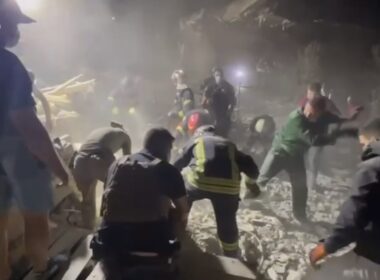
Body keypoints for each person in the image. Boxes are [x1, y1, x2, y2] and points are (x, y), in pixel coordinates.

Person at [0, 1, 70, 279]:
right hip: (15, 150)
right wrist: (59, 167)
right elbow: (27, 123)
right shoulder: (8, 64)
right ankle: (42, 266)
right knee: (35, 212)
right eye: (13, 24)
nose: (16, 31)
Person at [91, 128, 188, 280]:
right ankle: (172, 260)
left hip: (110, 241)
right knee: (177, 214)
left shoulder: (116, 164)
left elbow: (106, 202)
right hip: (153, 242)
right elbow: (184, 209)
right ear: (166, 148)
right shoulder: (167, 170)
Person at [252, 97, 356, 223]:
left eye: (313, 113)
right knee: (262, 179)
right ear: (304, 107)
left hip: (295, 156)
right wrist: (335, 136)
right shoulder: (296, 118)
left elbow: (335, 120)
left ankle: (300, 215)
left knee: (300, 187)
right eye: (307, 111)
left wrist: (350, 120)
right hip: (279, 152)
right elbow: (313, 140)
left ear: (320, 113)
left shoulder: (322, 117)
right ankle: (248, 202)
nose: (308, 115)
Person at [306, 118, 380, 280]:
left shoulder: (372, 168)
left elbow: (352, 219)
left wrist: (325, 248)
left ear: (375, 140)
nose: (364, 149)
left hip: (373, 260)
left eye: (364, 144)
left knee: (315, 275)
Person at [173, 125, 259, 257]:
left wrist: (172, 186)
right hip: (229, 188)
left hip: (199, 182)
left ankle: (177, 234)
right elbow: (252, 169)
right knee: (227, 221)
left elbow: (178, 164)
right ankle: (231, 255)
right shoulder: (229, 144)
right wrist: (251, 185)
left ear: (198, 133)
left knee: (183, 202)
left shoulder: (196, 140)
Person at [71, 125, 131, 229]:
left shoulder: (99, 130)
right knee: (119, 188)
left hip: (79, 161)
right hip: (98, 158)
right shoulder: (125, 136)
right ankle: (112, 226)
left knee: (87, 199)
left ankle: (89, 227)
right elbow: (128, 162)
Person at [201, 67, 236, 137]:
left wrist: (230, 109)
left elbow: (233, 101)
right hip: (212, 113)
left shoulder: (228, 87)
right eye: (216, 75)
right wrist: (207, 103)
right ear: (213, 75)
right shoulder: (209, 87)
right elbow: (204, 101)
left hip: (224, 114)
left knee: (223, 133)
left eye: (220, 75)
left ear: (223, 76)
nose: (218, 77)